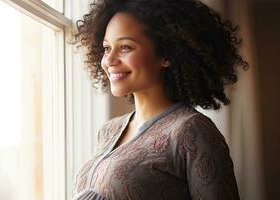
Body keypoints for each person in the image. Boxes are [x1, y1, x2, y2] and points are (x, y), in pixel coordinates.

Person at [72, 0, 248, 199]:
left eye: (125, 47)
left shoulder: (192, 130)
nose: (109, 60)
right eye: (106, 48)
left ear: (166, 54)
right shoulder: (108, 131)